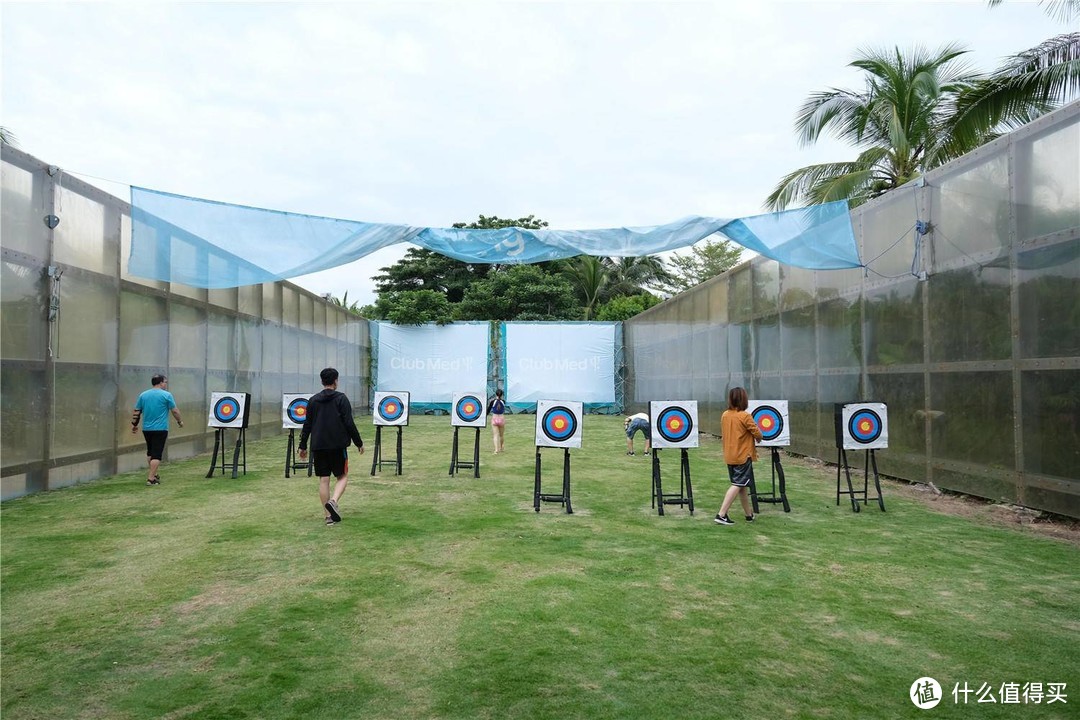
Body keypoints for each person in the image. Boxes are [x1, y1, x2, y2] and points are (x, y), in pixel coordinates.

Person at [298, 368, 365, 526]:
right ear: (335, 381)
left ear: (322, 381)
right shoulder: (341, 399)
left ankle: (328, 517)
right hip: (337, 445)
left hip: (318, 445)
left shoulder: (313, 400)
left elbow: (307, 425)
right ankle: (333, 501)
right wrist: (358, 443)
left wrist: (302, 446)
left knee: (324, 479)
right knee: (342, 476)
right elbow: (349, 423)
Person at [715, 386, 763, 525]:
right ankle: (721, 514)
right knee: (737, 484)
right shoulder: (745, 415)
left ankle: (749, 515)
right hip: (742, 456)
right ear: (744, 399)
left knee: (742, 485)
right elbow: (757, 433)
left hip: (730, 455)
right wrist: (759, 438)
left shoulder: (725, 414)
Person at [131, 374, 183, 486]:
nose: (166, 384)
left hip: (147, 429)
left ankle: (154, 474)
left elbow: (137, 411)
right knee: (157, 454)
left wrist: (134, 425)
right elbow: (175, 411)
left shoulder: (143, 395)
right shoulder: (167, 395)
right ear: (160, 382)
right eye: (165, 382)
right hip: (160, 429)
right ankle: (151, 479)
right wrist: (179, 421)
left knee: (150, 452)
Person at [488, 388, 506, 454]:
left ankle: (496, 450)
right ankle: (501, 447)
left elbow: (488, 410)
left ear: (496, 394)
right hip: (501, 418)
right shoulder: (503, 401)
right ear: (502, 395)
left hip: (494, 418)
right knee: (501, 435)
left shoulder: (492, 401)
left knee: (495, 435)